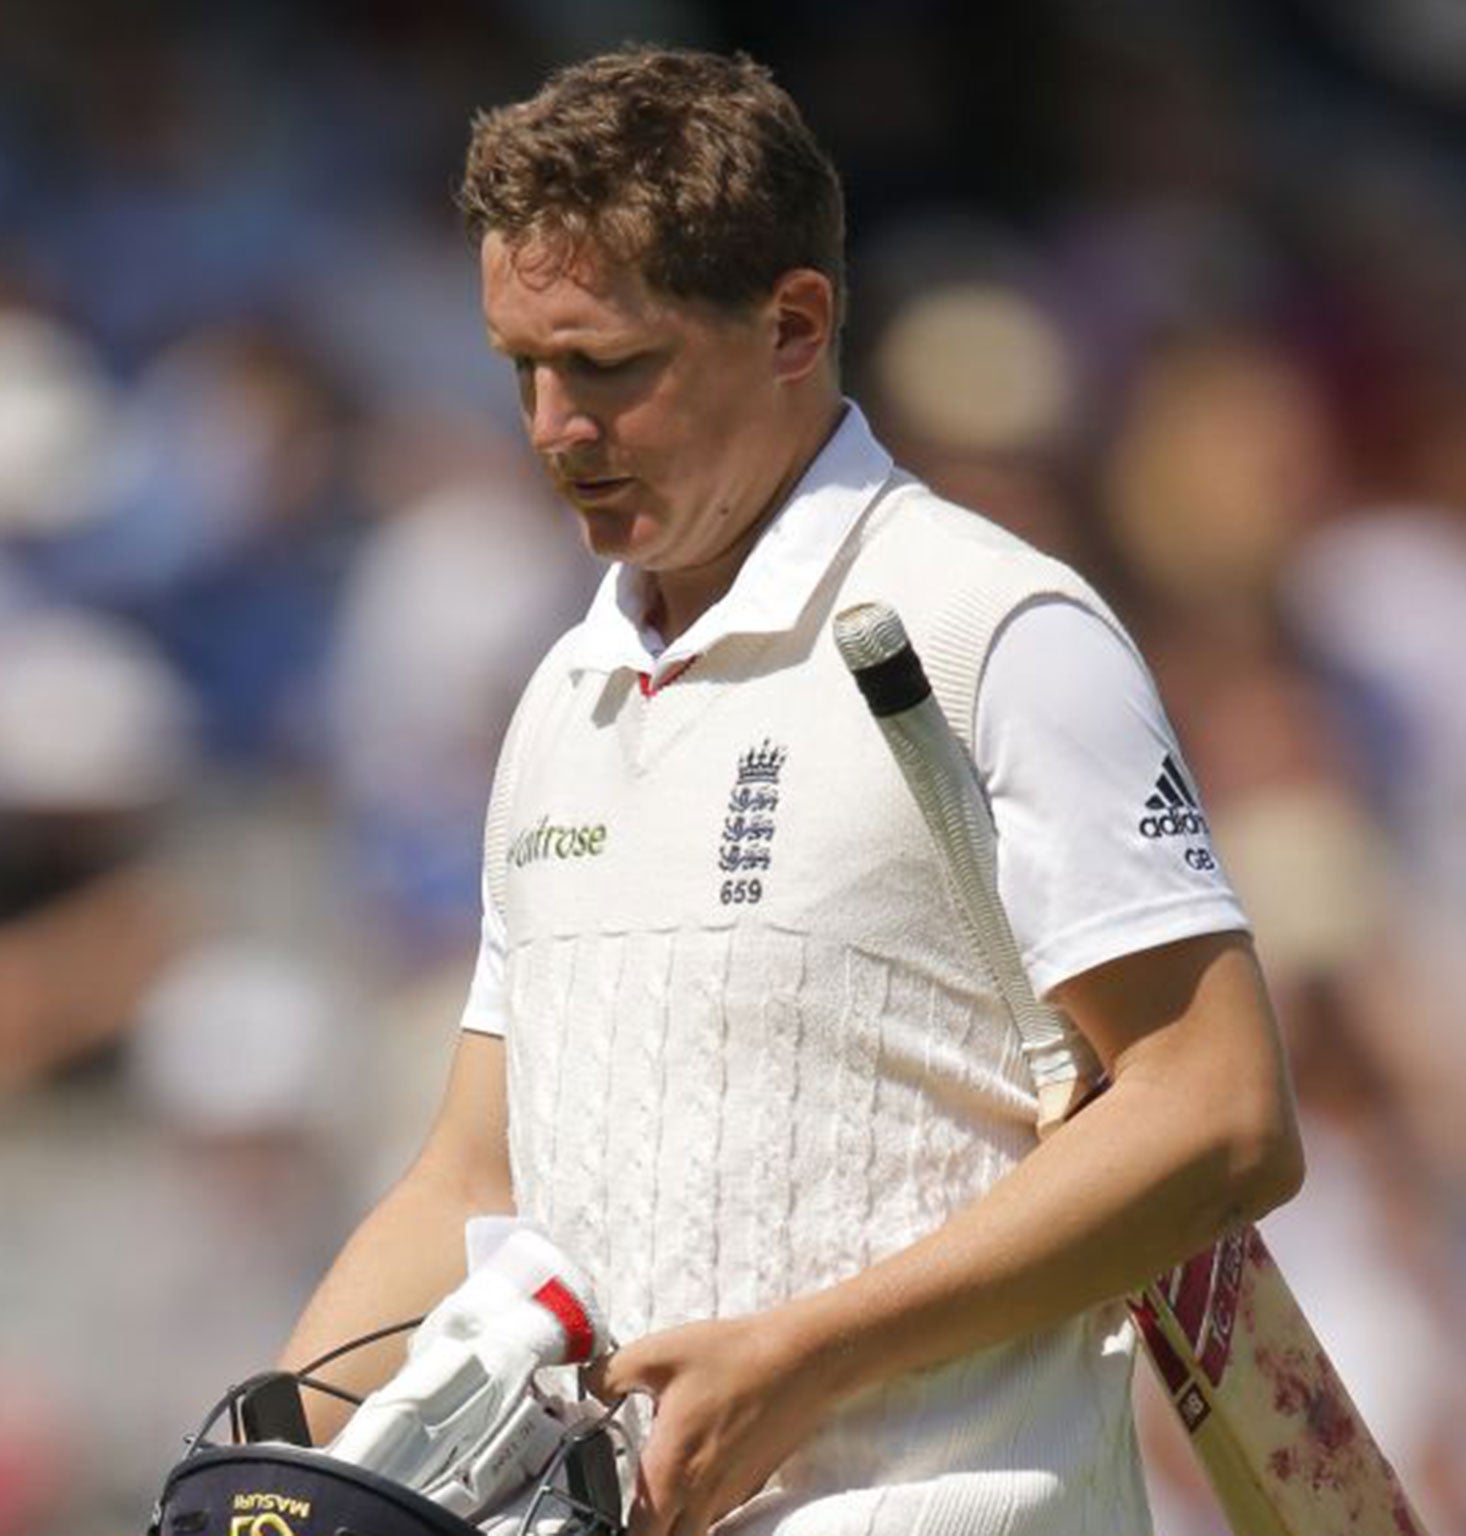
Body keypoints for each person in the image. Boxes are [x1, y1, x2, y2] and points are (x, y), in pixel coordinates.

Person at [280, 45, 1304, 1536]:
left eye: (611, 366)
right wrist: (260, 1468)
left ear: (792, 324)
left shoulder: (992, 627)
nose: (558, 426)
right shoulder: (563, 696)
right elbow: (475, 1178)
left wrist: (802, 1359)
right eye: (525, 368)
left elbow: (1220, 1117)